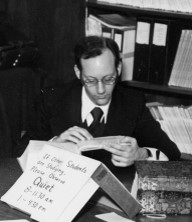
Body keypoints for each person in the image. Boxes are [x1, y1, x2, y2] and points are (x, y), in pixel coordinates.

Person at [15, 36, 181, 171]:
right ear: (78, 72)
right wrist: (54, 145)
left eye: (109, 79)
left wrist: (140, 154)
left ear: (118, 69)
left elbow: (171, 152)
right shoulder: (52, 99)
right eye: (91, 80)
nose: (101, 90)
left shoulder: (132, 102)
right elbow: (19, 154)